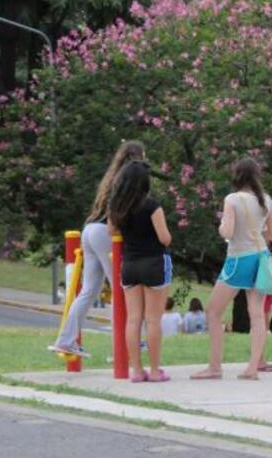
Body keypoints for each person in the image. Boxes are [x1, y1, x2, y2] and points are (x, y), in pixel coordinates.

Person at [50, 141, 145, 357]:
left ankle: (65, 340)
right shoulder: (128, 178)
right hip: (106, 232)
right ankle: (126, 344)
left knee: (89, 291)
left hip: (89, 229)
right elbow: (117, 212)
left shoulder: (111, 177)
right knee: (122, 289)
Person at [192, 158, 272, 381]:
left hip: (239, 259)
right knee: (257, 314)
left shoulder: (232, 199)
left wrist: (221, 226)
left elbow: (228, 232)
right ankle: (252, 367)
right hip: (261, 257)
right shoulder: (266, 200)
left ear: (237, 176)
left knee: (213, 311)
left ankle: (214, 367)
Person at [108, 160, 172, 383]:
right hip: (154, 262)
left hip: (130, 265)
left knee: (133, 320)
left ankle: (136, 370)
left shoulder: (117, 207)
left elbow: (111, 230)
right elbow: (165, 238)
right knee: (153, 320)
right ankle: (155, 371)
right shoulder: (152, 205)